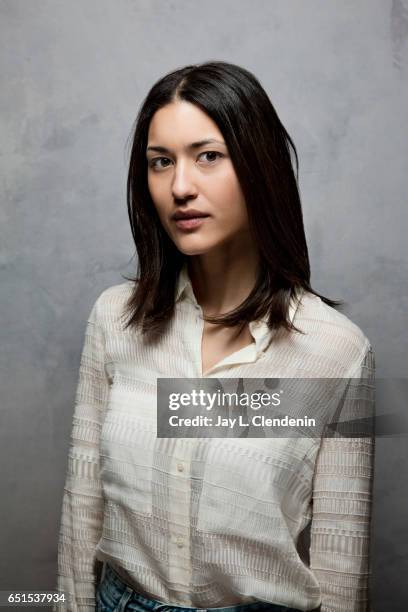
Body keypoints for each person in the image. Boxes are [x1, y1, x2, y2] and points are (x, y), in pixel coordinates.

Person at [54, 61, 375, 612]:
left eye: (208, 156)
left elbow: (342, 571)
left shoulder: (339, 351)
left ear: (259, 166)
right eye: (160, 162)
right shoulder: (114, 320)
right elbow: (82, 512)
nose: (180, 187)